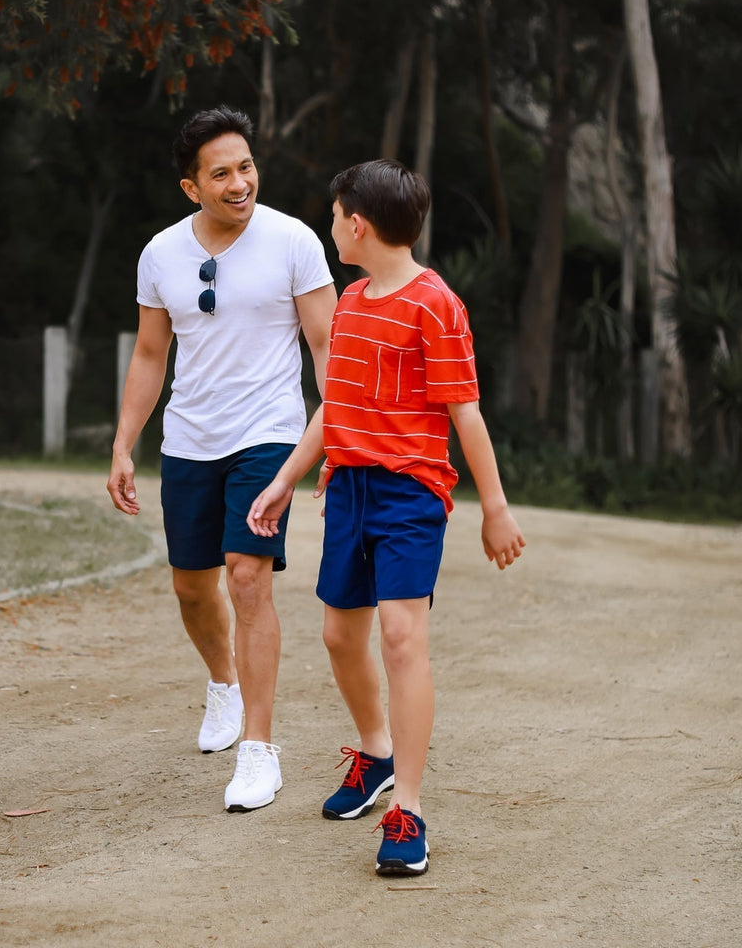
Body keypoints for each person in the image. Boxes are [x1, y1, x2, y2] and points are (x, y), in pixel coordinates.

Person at [247, 159, 525, 875]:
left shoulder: (437, 304)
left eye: (336, 215)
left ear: (357, 224)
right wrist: (284, 480)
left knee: (401, 637)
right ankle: (375, 753)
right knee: (341, 634)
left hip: (409, 496)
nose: (331, 224)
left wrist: (494, 508)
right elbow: (333, 408)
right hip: (348, 490)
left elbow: (466, 412)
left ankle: (410, 807)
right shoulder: (354, 300)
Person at [108, 106, 336, 812]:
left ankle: (259, 752)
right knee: (190, 585)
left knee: (247, 579)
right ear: (191, 187)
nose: (240, 183)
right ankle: (224, 685)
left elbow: (328, 348)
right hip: (188, 440)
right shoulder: (160, 254)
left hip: (268, 435)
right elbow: (151, 354)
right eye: (222, 173)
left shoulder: (293, 242)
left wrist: (334, 439)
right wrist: (123, 442)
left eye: (246, 166)